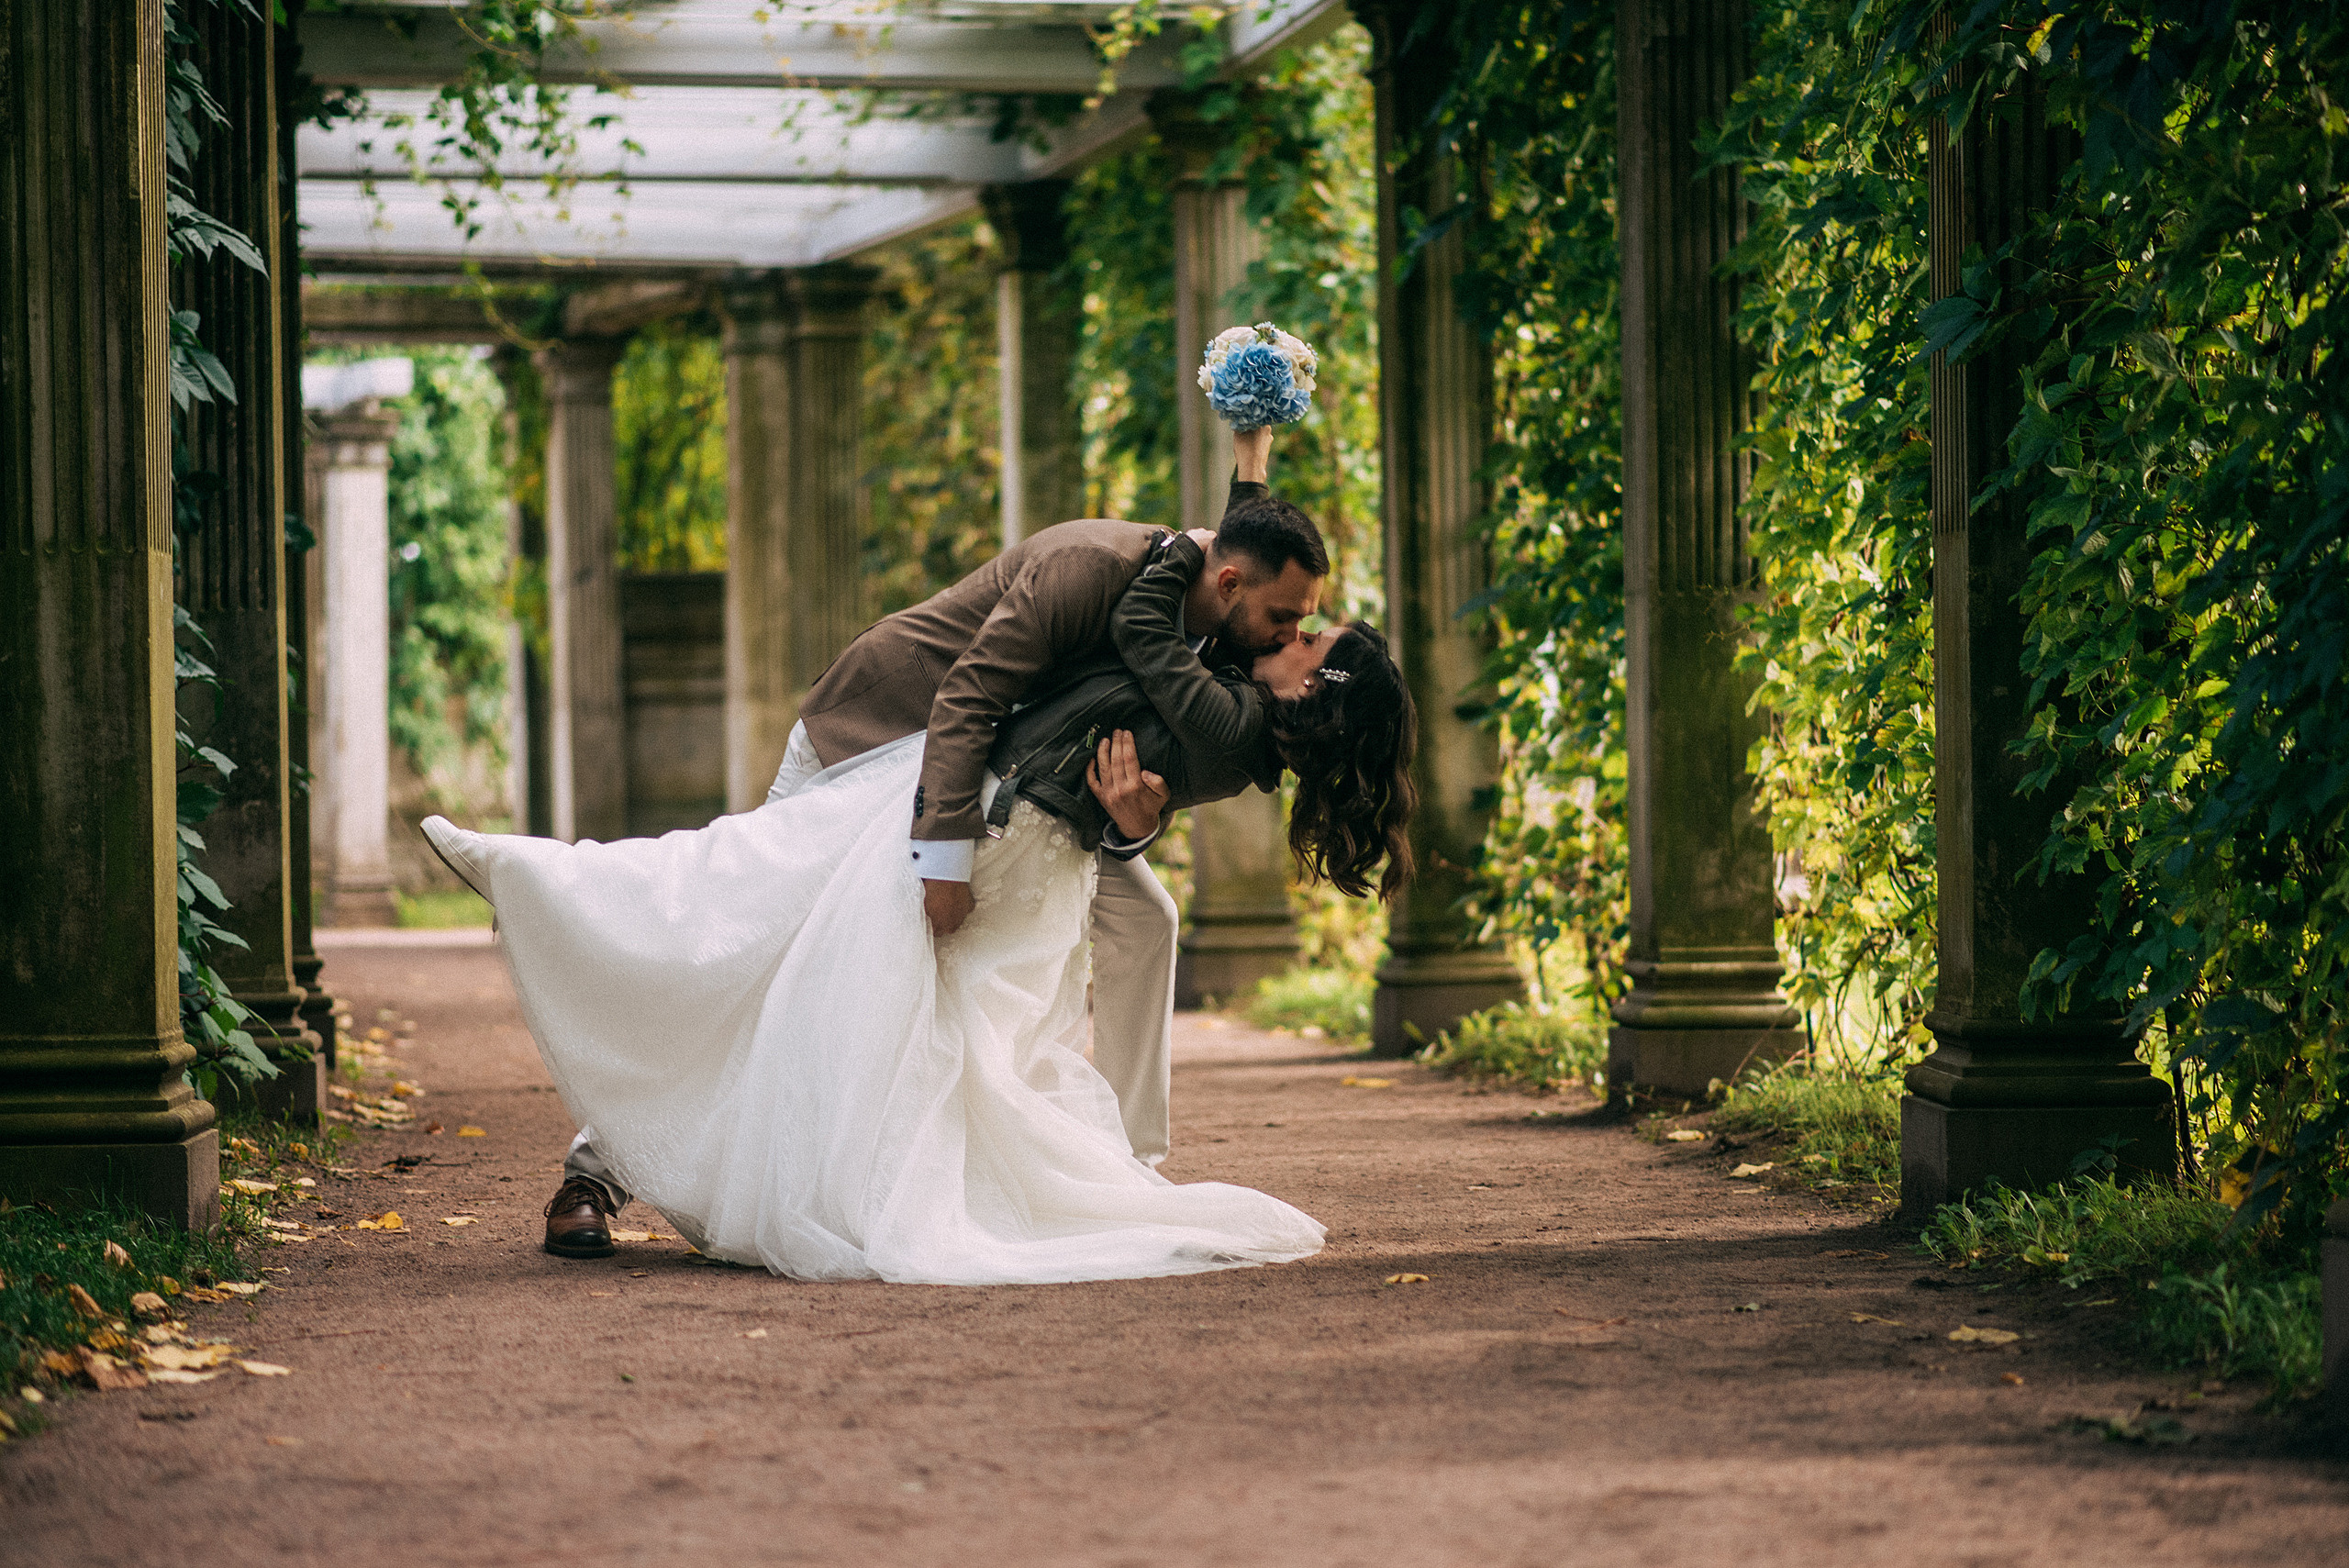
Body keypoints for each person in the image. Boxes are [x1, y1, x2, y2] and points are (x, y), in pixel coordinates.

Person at [420, 484, 1417, 1290]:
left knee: (1142, 918)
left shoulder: (1229, 651)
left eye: (1304, 629)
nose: (1295, 630)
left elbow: (1152, 741)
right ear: (1233, 581)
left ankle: (1120, 1161)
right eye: (1289, 618)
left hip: (1019, 806)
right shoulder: (1096, 570)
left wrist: (1136, 821)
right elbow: (968, 696)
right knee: (759, 930)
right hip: (883, 737)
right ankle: (598, 1165)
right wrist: (939, 862)